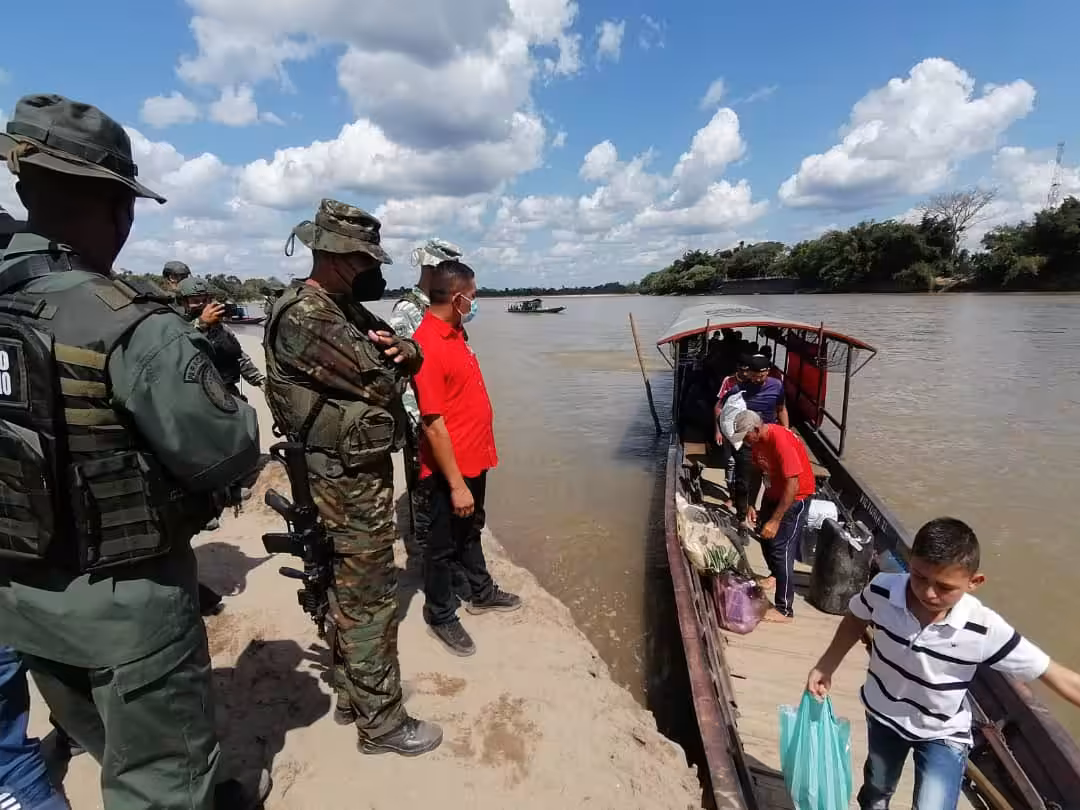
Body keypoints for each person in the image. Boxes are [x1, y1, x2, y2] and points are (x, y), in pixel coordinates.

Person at [0, 93, 268, 809]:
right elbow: (228, 452)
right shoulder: (129, 325)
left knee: (101, 736)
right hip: (128, 609)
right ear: (118, 209)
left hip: (22, 598)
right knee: (160, 780)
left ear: (24, 189)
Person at [263, 198, 442, 756]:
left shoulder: (340, 307)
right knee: (368, 597)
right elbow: (380, 383)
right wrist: (398, 362)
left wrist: (405, 352)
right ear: (339, 257)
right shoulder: (310, 315)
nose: (375, 272)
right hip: (343, 481)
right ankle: (383, 723)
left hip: (349, 474)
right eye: (368, 261)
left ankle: (352, 693)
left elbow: (404, 353)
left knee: (349, 590)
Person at [807, 517, 1080, 809]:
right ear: (910, 562)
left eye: (945, 586)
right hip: (884, 714)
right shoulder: (883, 589)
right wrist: (827, 664)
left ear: (974, 582)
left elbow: (1056, 675)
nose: (928, 593)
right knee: (877, 791)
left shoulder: (983, 628)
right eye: (919, 577)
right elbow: (856, 617)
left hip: (943, 731)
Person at [412, 260, 522, 657]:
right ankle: (440, 613)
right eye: (472, 297)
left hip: (474, 458)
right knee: (440, 545)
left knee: (471, 527)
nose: (475, 303)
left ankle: (480, 591)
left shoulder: (456, 333)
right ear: (457, 298)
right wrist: (456, 485)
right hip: (448, 467)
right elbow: (433, 424)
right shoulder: (427, 343)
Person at [388, 239, 463, 545]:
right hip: (425, 418)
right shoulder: (408, 310)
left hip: (450, 416)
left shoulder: (445, 307)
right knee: (426, 489)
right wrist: (424, 423)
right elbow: (402, 373)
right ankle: (426, 550)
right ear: (433, 269)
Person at [729, 410, 814, 621]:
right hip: (773, 492)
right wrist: (751, 503)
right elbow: (759, 471)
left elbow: (793, 484)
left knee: (780, 548)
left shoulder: (780, 440)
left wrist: (776, 520)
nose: (746, 442)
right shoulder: (757, 442)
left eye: (746, 436)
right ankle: (775, 575)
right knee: (764, 537)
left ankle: (785, 608)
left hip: (795, 498)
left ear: (756, 429)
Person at [723, 353, 789, 526]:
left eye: (762, 375)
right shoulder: (738, 390)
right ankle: (741, 520)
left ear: (768, 372)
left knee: (766, 477)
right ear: (748, 373)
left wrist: (786, 433)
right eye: (754, 375)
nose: (758, 379)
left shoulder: (777, 386)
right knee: (743, 481)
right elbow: (723, 411)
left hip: (768, 439)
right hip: (747, 440)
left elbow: (781, 409)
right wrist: (729, 435)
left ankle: (759, 511)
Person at [177, 277, 265, 396]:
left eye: (206, 300)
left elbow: (237, 355)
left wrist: (259, 381)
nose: (203, 305)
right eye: (196, 300)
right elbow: (178, 350)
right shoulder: (176, 326)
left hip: (226, 388)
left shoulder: (219, 327)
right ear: (183, 303)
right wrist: (202, 324)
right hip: (195, 393)